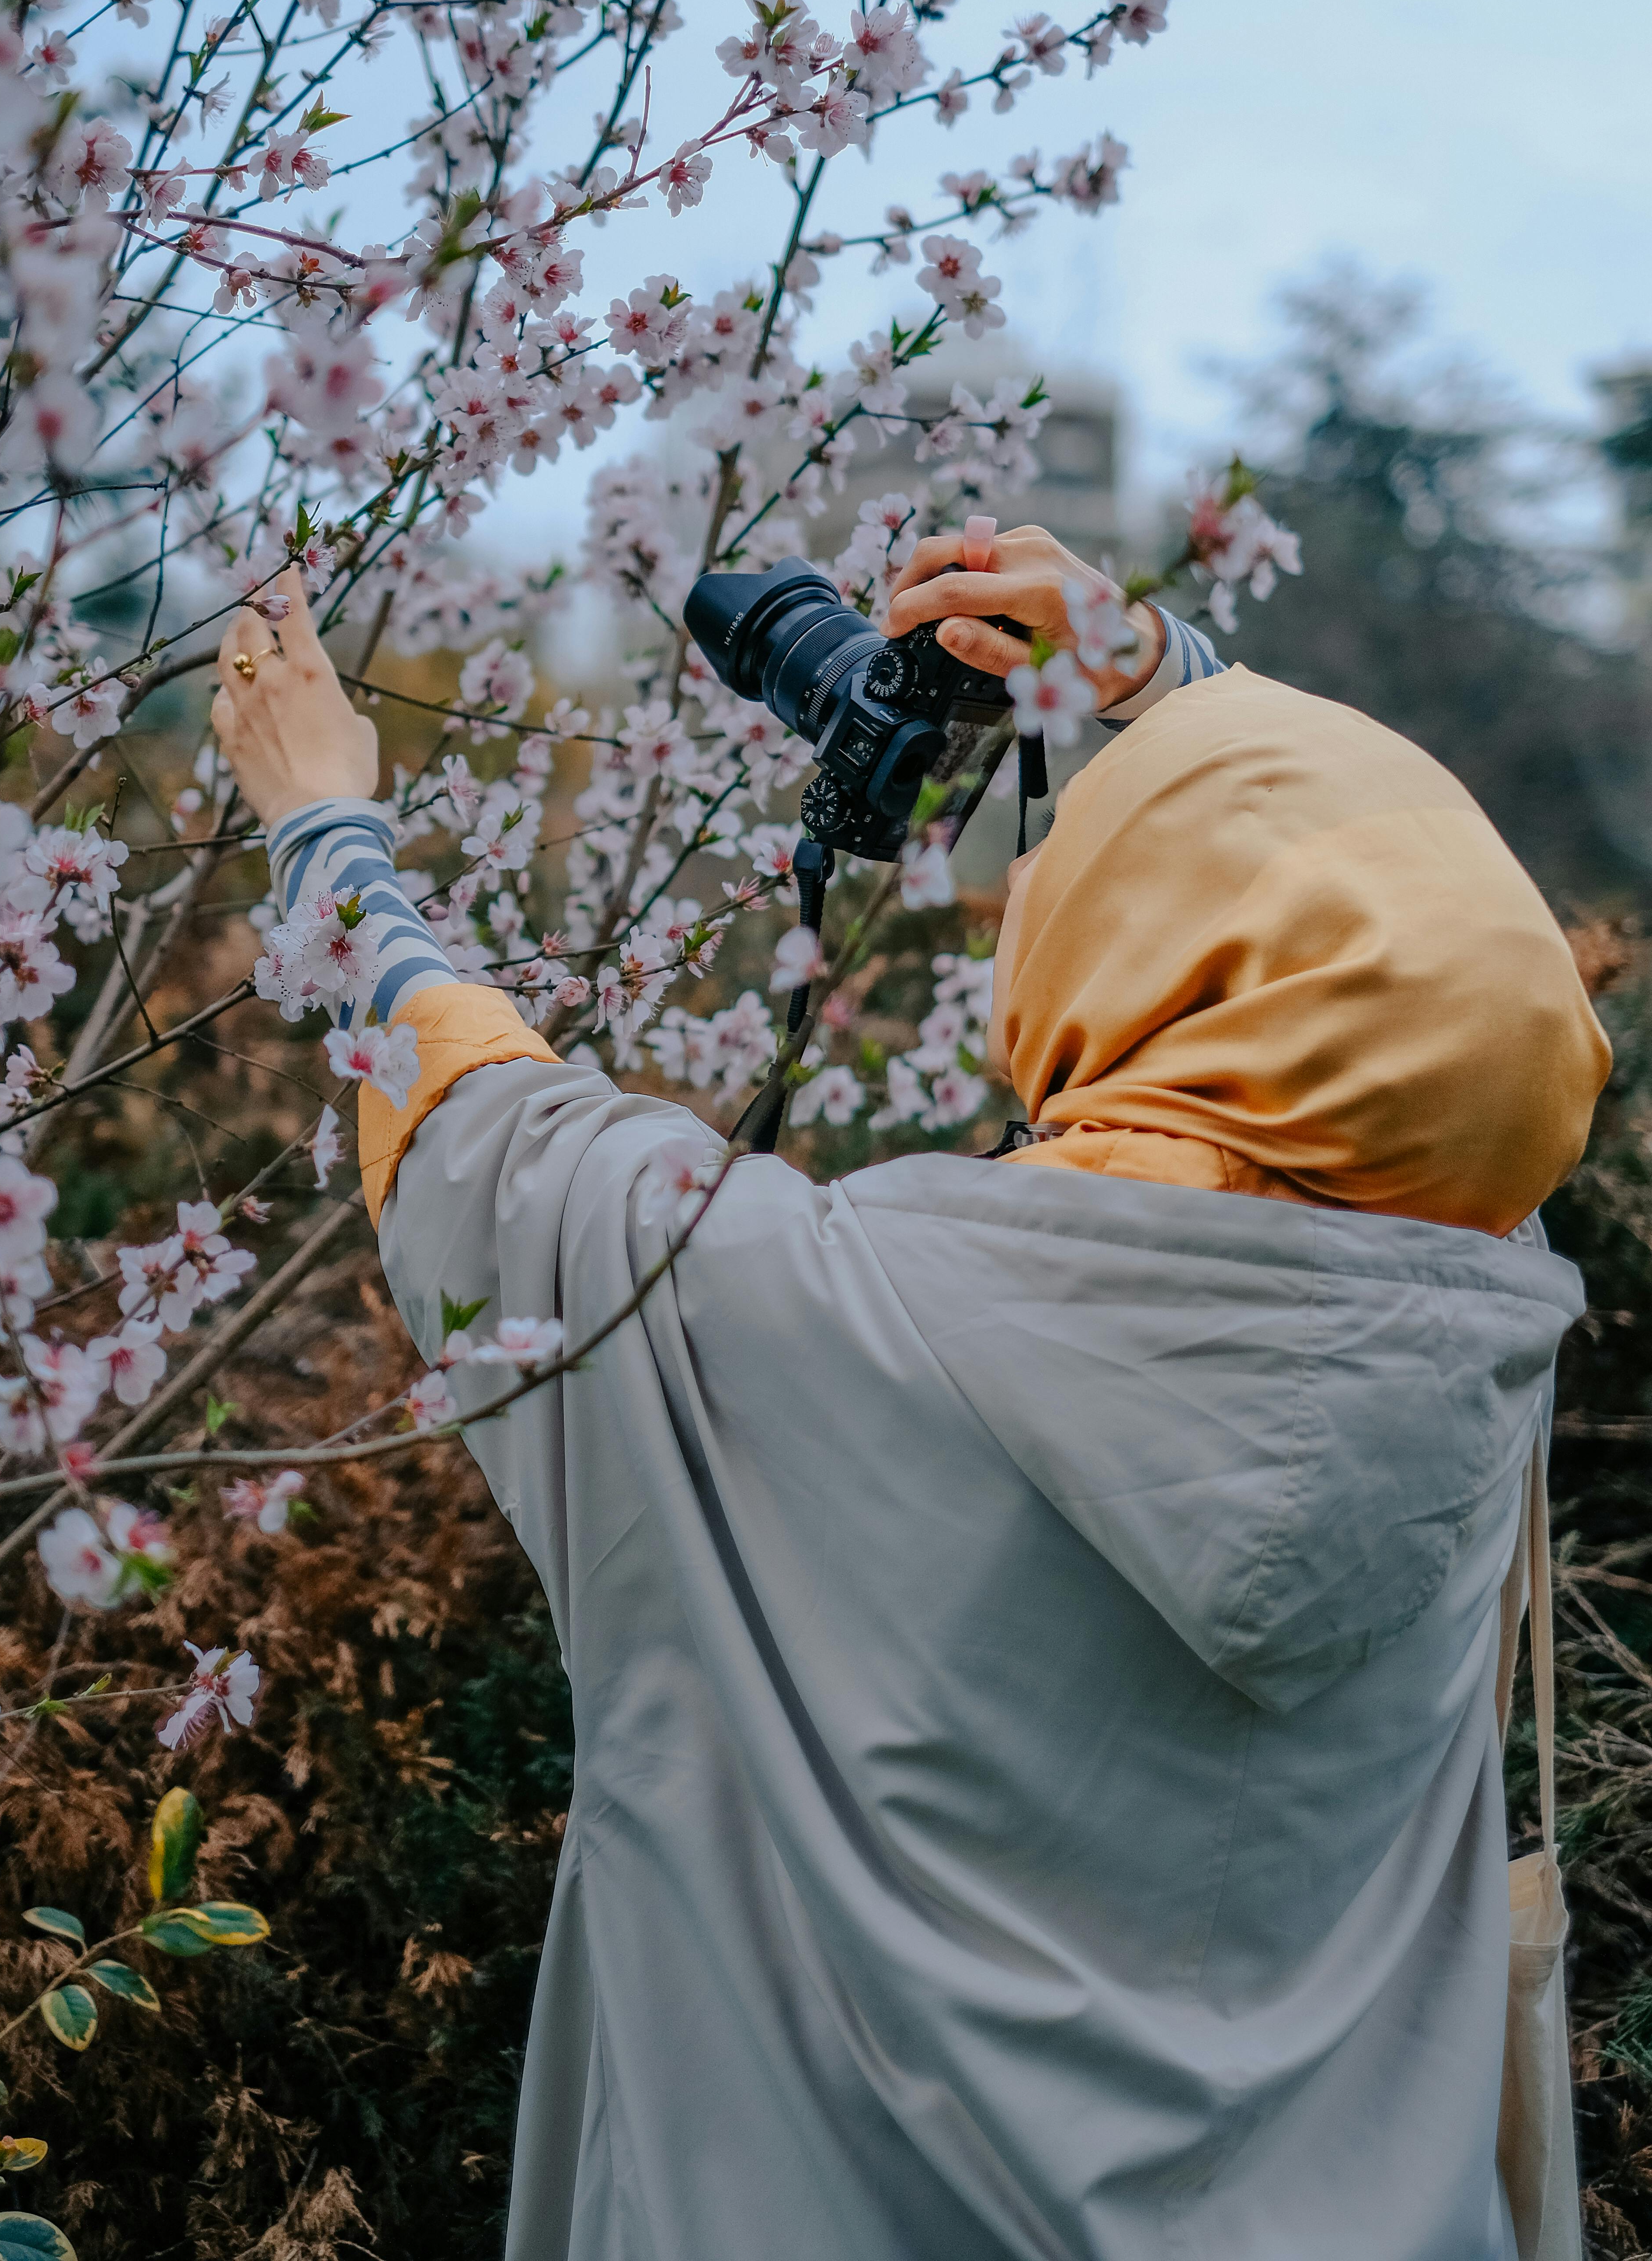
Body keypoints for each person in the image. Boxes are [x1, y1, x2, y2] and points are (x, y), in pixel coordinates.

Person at [212, 528, 1610, 2261]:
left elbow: (491, 1142)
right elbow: (1429, 1015)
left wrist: (327, 822)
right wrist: (1154, 675)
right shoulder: (1477, 1326)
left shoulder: (819, 1308)